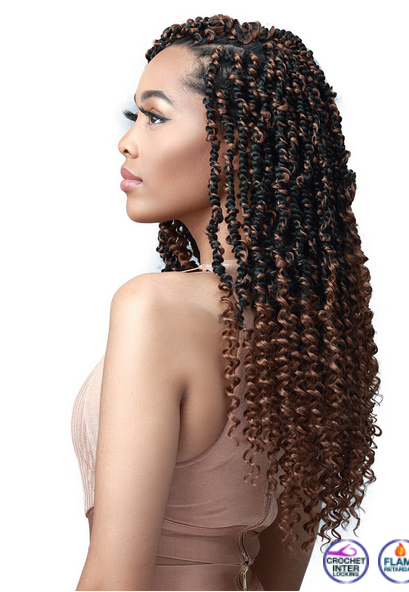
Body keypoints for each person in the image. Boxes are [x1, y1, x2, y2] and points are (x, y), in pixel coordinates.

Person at [71, 13, 381, 591]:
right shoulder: (310, 331)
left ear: (237, 143)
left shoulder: (155, 309)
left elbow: (116, 579)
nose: (127, 141)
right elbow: (278, 579)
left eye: (155, 116)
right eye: (134, 116)